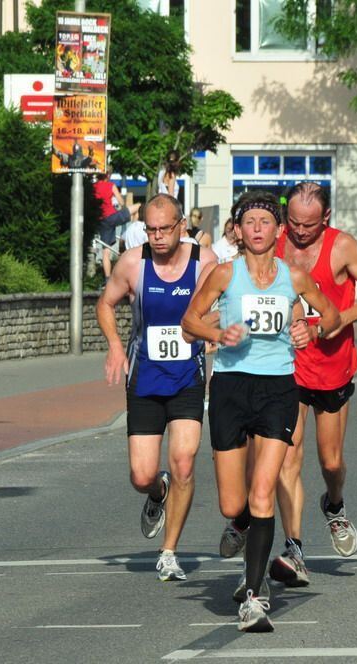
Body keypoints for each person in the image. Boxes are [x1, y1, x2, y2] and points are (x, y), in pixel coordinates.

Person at [182, 190, 340, 632]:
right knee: (235, 503)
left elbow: (331, 315)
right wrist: (216, 332)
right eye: (248, 221)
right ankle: (243, 527)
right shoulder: (223, 275)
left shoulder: (294, 277)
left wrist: (310, 328)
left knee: (263, 491)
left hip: (278, 389)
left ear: (277, 230)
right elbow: (189, 322)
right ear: (237, 229)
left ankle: (253, 597)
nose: (256, 229)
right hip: (231, 388)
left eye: (265, 222)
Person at [238, 181, 357, 590]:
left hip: (333, 365)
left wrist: (335, 319)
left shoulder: (342, 247)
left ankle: (334, 506)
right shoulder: (276, 242)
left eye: (308, 225)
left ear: (326, 219)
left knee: (331, 462)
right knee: (288, 458)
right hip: (287, 366)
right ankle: (294, 547)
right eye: (294, 223)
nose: (299, 232)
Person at [96, 194, 217, 582]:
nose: (159, 236)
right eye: (151, 229)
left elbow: (225, 302)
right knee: (140, 475)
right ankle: (157, 491)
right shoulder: (133, 262)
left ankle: (169, 551)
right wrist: (116, 345)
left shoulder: (205, 263)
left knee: (184, 461)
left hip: (187, 377)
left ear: (182, 226)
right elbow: (105, 303)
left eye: (166, 228)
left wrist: (210, 328)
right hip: (145, 379)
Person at [93, 169, 141, 281]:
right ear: (107, 175)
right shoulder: (111, 185)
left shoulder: (94, 187)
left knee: (106, 251)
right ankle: (134, 229)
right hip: (113, 217)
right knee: (139, 206)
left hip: (102, 220)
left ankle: (107, 279)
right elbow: (121, 202)